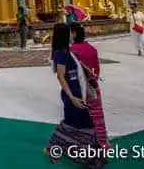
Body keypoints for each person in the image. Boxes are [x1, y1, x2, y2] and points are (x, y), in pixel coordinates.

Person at [44, 23, 104, 168]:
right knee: (79, 122)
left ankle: (82, 151)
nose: (72, 35)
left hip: (77, 90)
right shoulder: (61, 53)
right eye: (70, 32)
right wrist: (71, 97)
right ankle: (87, 155)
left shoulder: (66, 51)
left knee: (76, 122)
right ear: (66, 35)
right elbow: (60, 76)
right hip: (72, 93)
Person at [71, 23, 111, 149]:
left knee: (81, 115)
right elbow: (96, 69)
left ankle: (83, 144)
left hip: (79, 88)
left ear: (74, 34)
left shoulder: (72, 51)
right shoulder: (92, 49)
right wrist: (93, 79)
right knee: (97, 115)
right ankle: (101, 141)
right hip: (93, 85)